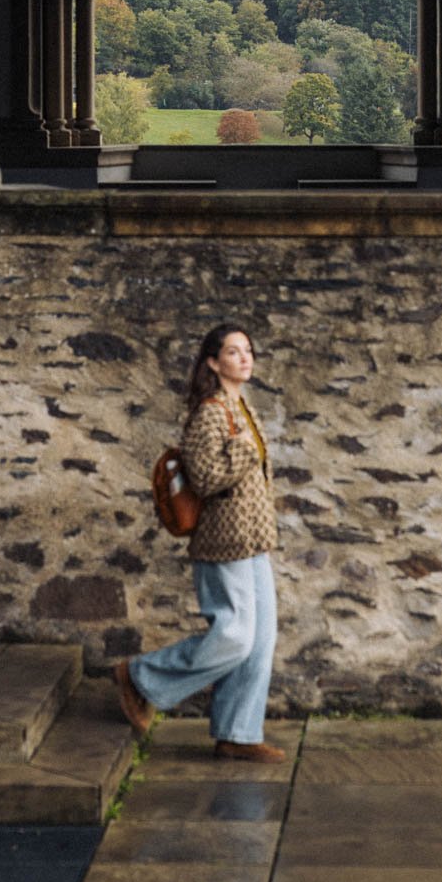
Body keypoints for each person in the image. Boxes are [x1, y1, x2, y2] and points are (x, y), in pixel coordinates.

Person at [114, 324, 284, 762]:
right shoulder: (210, 411)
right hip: (223, 541)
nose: (244, 358)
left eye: (248, 350)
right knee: (234, 636)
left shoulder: (241, 404)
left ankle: (238, 734)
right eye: (233, 352)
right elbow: (205, 477)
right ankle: (141, 678)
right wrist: (246, 449)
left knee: (260, 641)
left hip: (254, 540)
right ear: (213, 362)